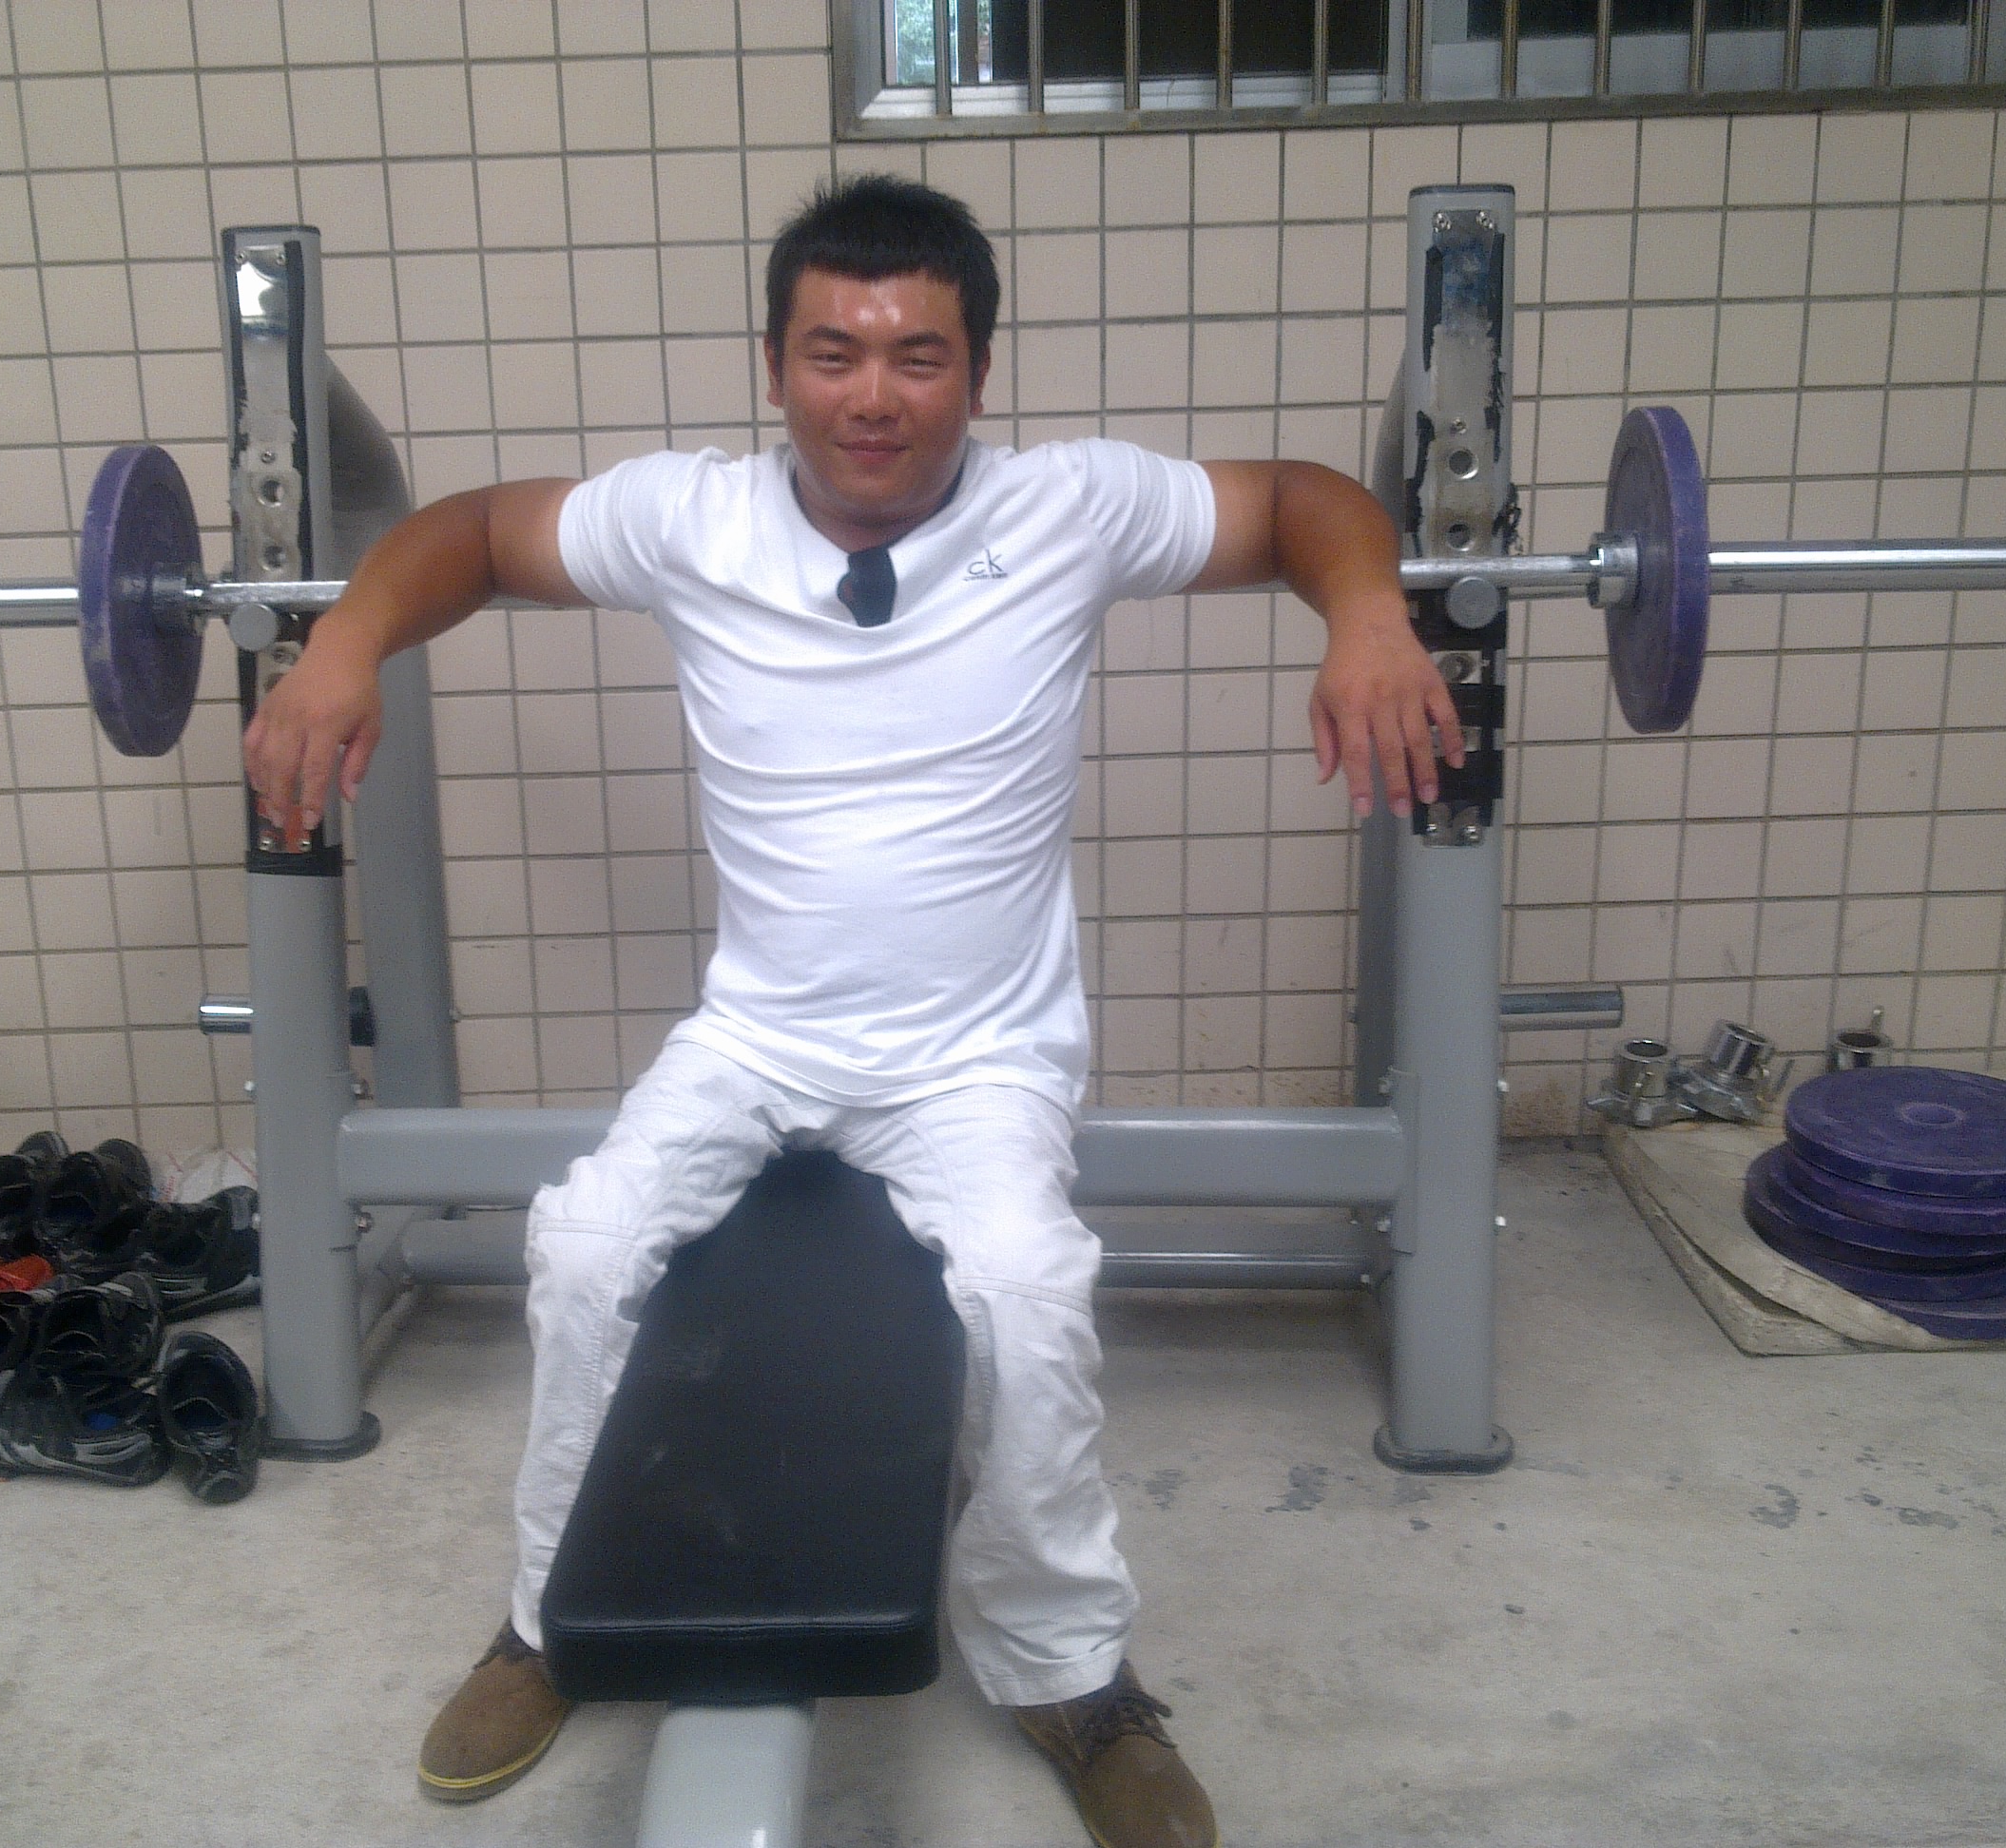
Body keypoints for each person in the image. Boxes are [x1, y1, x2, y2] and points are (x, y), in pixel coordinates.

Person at [243, 174, 1460, 1848]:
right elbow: (470, 536)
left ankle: (1065, 1670)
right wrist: (341, 644)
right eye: (832, 354)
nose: (871, 396)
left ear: (978, 373)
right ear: (774, 366)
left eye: (917, 356)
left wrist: (1371, 613)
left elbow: (1299, 499)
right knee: (584, 1249)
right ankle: (547, 1622)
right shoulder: (693, 519)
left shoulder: (1071, 507)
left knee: (1028, 1293)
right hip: (759, 1037)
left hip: (978, 1057)